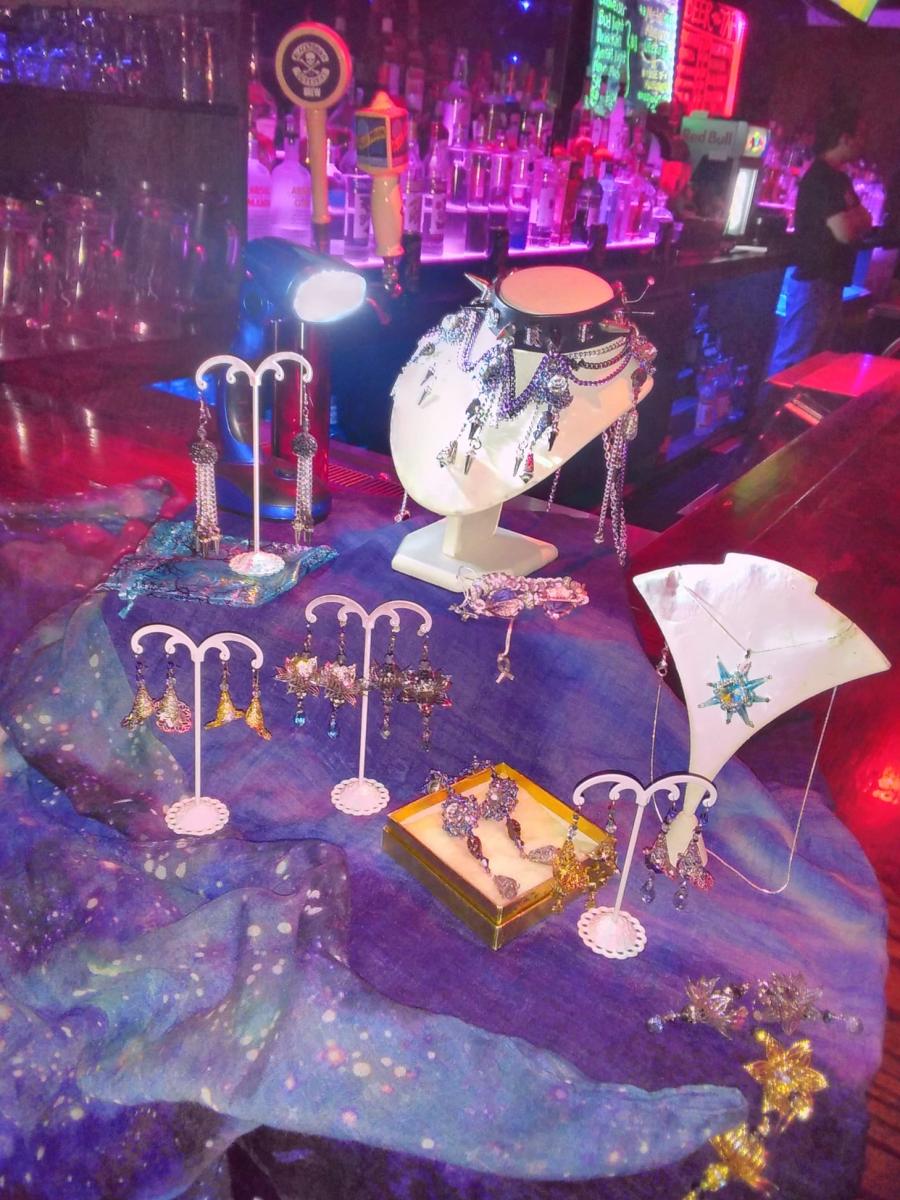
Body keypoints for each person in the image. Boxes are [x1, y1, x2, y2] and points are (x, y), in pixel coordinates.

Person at [767, 109, 872, 376]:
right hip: (813, 279)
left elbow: (867, 219)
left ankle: (792, 405)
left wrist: (853, 219)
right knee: (793, 360)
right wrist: (853, 218)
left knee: (813, 364)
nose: (865, 141)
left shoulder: (840, 178)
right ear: (844, 138)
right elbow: (845, 232)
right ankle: (772, 404)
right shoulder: (821, 177)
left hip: (831, 280)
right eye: (860, 134)